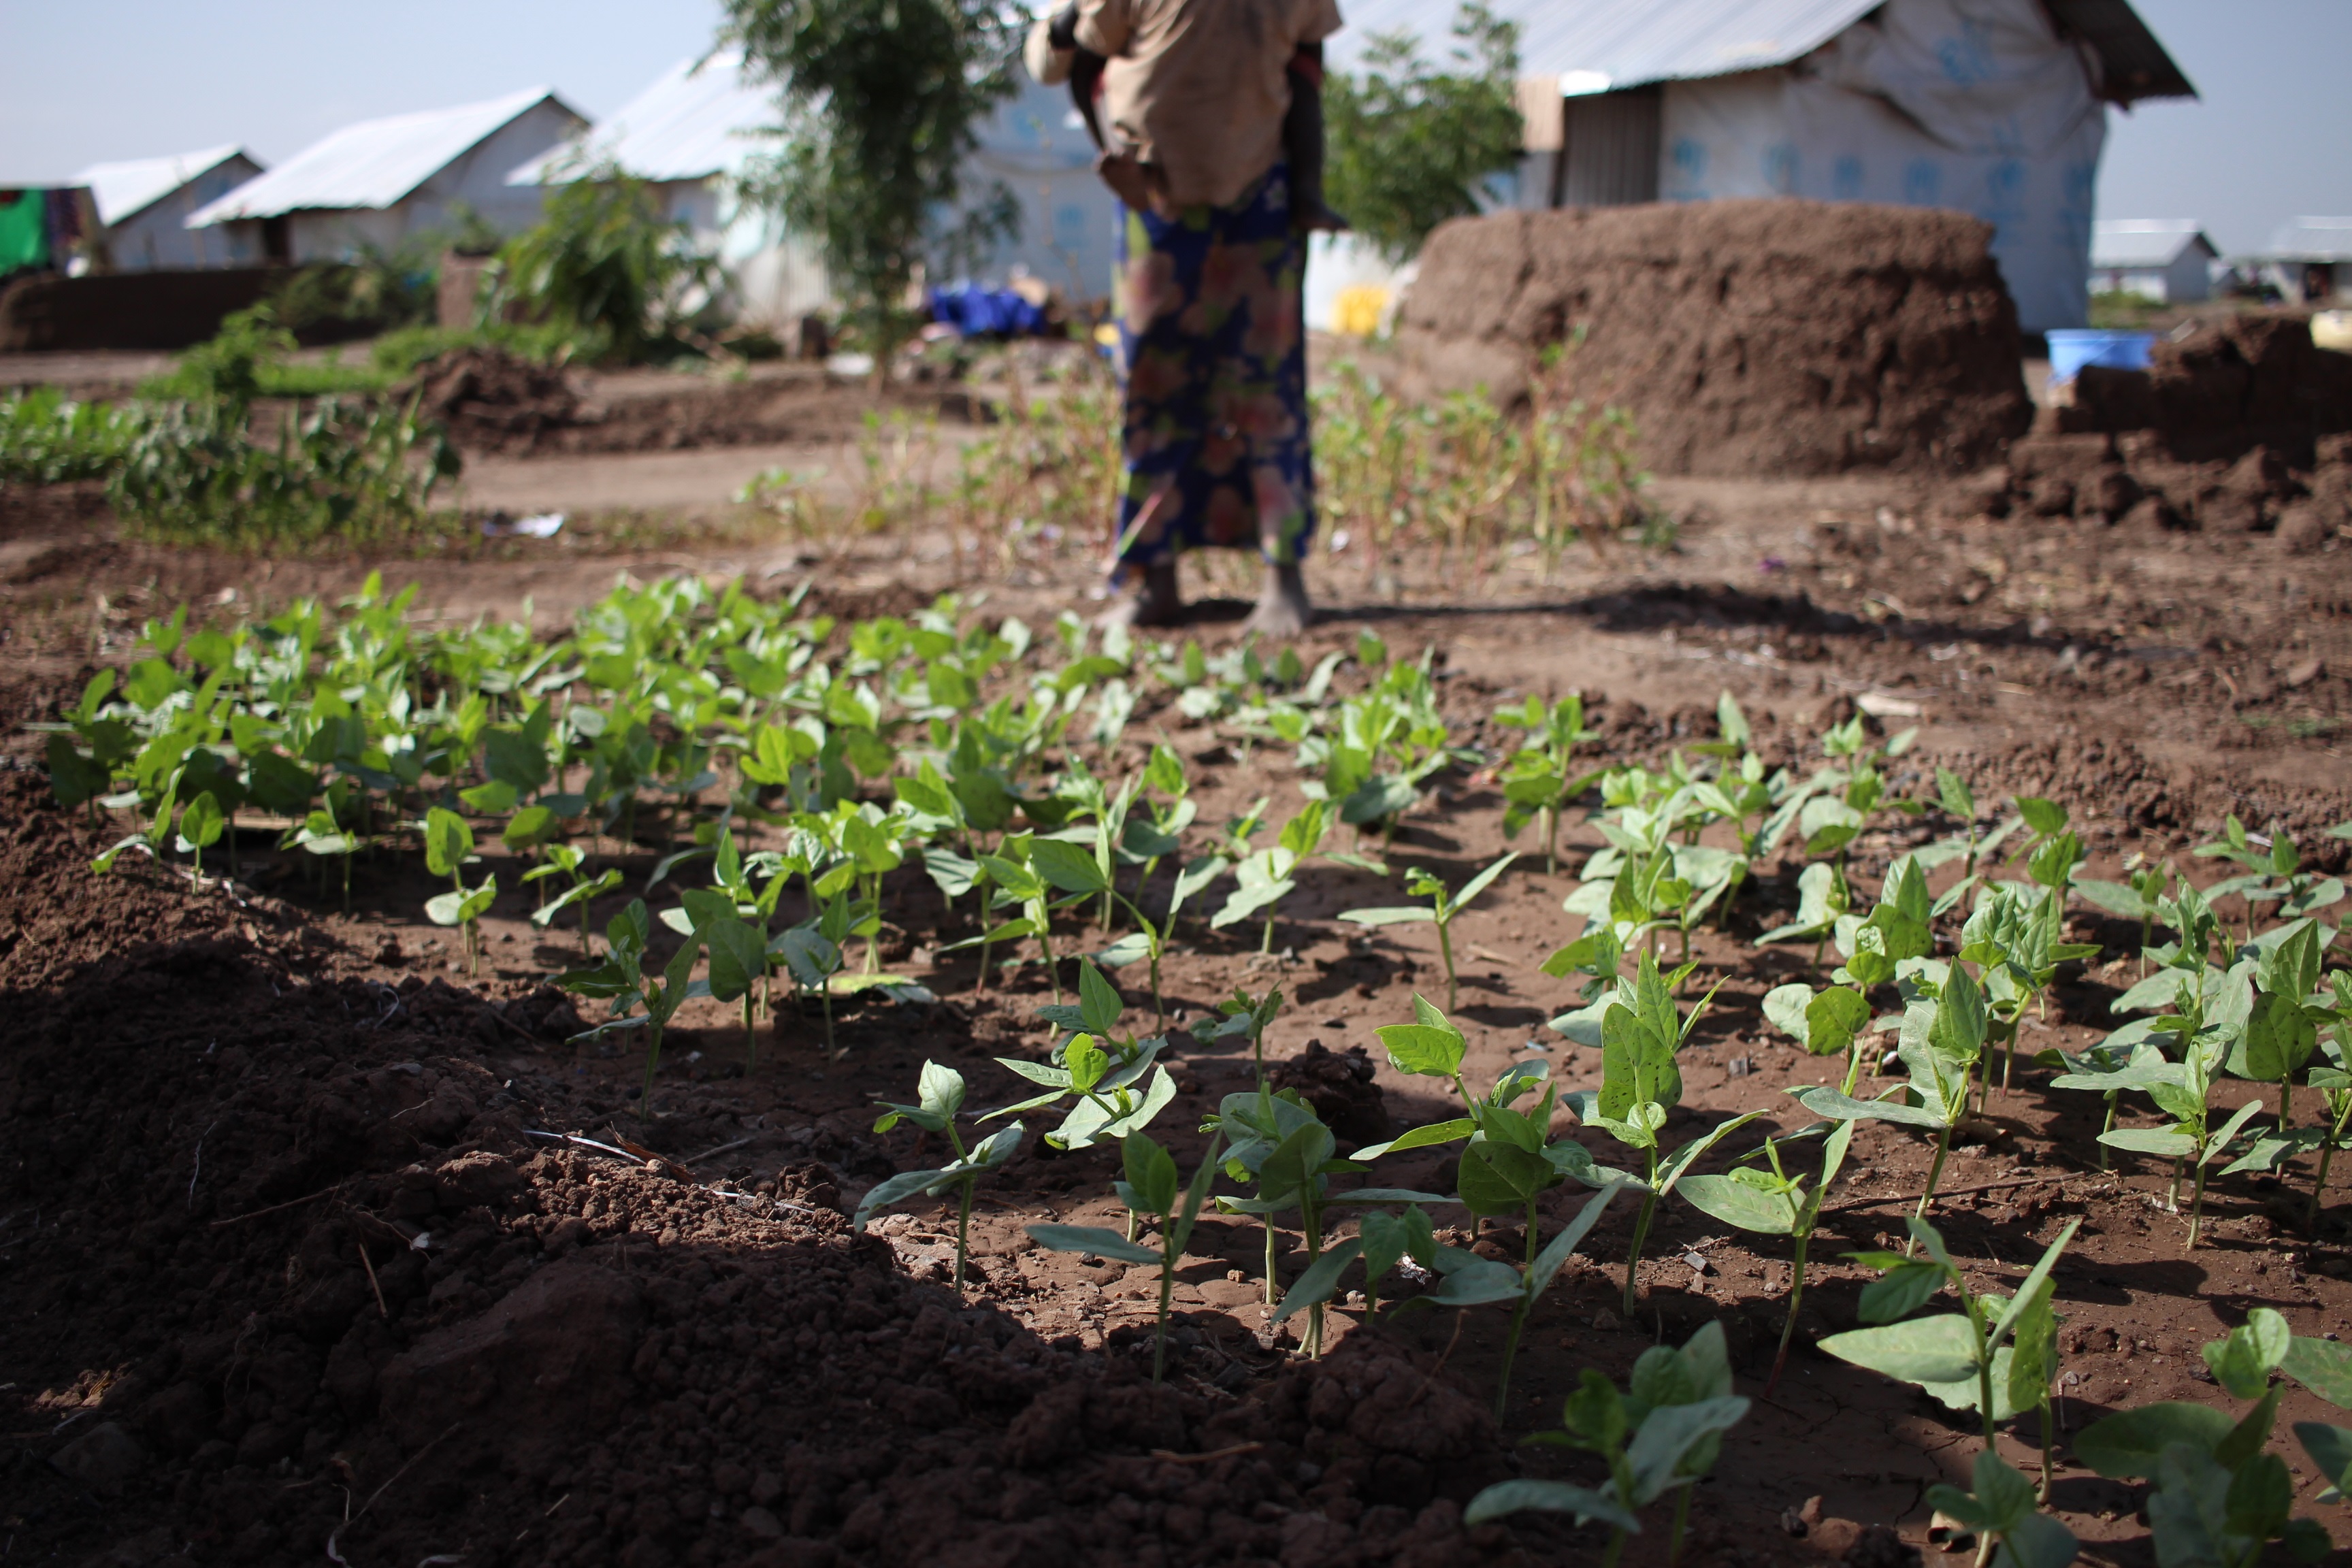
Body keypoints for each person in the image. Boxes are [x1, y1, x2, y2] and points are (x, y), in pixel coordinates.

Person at [1027, 0, 1343, 634]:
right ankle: (1155, 581)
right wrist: (1110, 146)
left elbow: (1308, 68)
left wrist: (1307, 182)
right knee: (1153, 389)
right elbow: (1067, 58)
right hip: (1157, 201)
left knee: (1268, 389)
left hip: (1261, 196)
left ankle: (1284, 580)